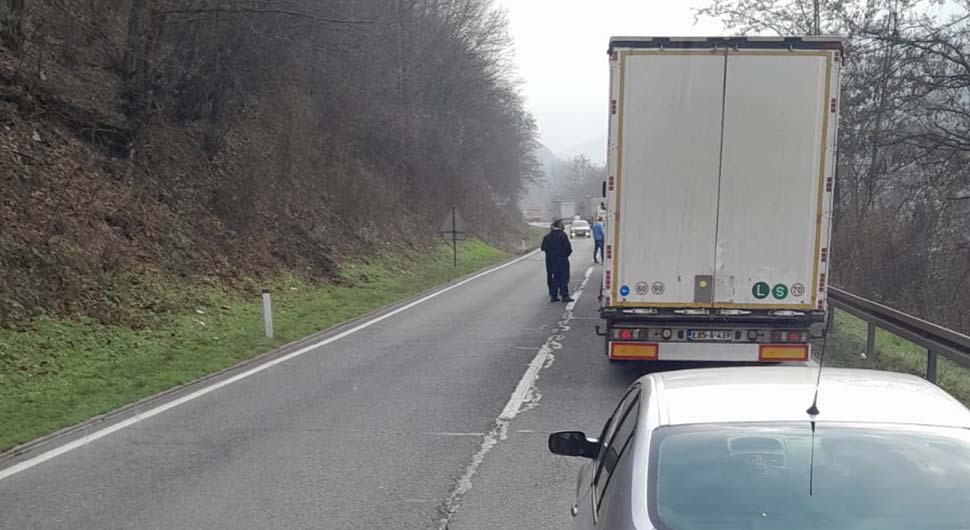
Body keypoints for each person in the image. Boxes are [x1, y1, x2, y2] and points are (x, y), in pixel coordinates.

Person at [541, 219, 573, 303]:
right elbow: (568, 248)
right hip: (562, 260)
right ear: (559, 225)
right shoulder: (562, 235)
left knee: (554, 278)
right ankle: (564, 295)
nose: (564, 225)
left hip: (551, 261)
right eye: (562, 224)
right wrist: (565, 255)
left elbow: (543, 248)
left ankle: (554, 296)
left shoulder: (547, 236)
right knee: (564, 278)